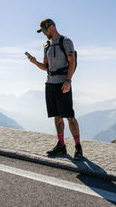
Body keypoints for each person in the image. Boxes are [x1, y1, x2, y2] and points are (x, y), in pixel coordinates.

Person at [27, 18, 83, 160]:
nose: (44, 33)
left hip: (63, 84)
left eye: (45, 30)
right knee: (57, 116)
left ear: (52, 27)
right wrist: (35, 63)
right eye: (43, 31)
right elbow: (46, 67)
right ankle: (61, 145)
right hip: (50, 84)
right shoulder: (46, 45)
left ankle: (78, 147)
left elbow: (72, 62)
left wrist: (68, 81)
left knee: (69, 116)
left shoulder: (66, 41)